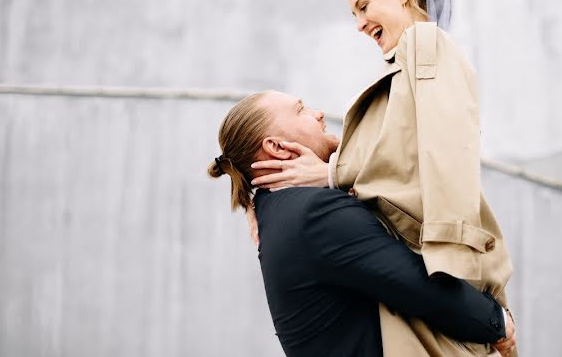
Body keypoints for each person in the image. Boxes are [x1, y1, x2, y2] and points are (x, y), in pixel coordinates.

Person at [249, 0, 518, 356]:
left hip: (438, 266)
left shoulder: (427, 44)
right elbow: (393, 152)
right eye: (353, 14)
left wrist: (330, 174)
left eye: (363, 6)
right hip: (420, 276)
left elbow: (441, 155)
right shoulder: (403, 67)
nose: (359, 24)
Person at [208, 91, 516, 357]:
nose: (317, 114)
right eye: (301, 110)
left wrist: (331, 171)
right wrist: (495, 322)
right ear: (277, 147)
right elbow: (414, 282)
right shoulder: (315, 213)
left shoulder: (274, 208)